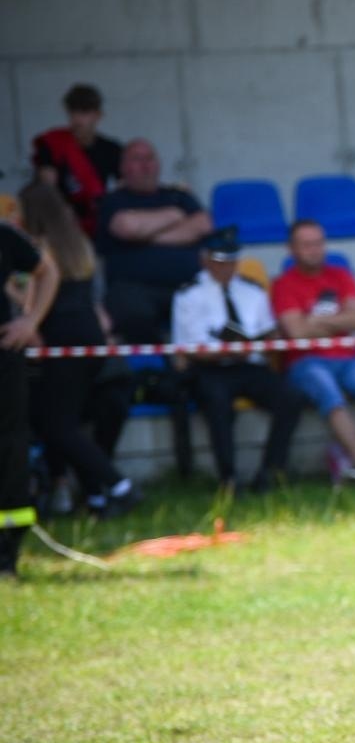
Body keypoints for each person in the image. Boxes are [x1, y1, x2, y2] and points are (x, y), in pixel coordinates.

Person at [17, 182, 140, 520]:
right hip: (90, 340)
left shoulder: (40, 249)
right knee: (67, 424)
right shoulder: (78, 244)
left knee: (58, 427)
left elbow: (32, 306)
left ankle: (120, 487)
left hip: (61, 343)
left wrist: (11, 292)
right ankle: (96, 497)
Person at [172, 228, 304, 493]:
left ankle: (270, 473)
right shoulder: (188, 295)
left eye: (231, 262)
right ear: (206, 260)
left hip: (249, 365)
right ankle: (228, 478)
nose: (226, 268)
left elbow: (267, 332)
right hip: (210, 369)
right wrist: (226, 351)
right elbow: (188, 348)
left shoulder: (252, 290)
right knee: (217, 402)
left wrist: (267, 341)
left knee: (290, 398)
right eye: (220, 262)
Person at [270, 219, 355, 484]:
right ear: (291, 249)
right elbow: (296, 332)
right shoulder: (283, 284)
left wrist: (315, 321)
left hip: (346, 358)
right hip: (305, 361)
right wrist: (339, 321)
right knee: (330, 394)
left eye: (318, 243)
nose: (314, 250)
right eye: (306, 244)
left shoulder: (341, 275)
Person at [96, 139, 213, 344]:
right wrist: (174, 215)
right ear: (123, 168)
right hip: (133, 289)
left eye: (150, 158)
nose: (145, 165)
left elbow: (203, 224)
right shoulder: (113, 201)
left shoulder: (177, 195)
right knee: (131, 310)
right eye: (137, 159)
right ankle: (160, 363)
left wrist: (146, 235)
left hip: (187, 285)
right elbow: (127, 227)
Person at [2, 206, 55, 576]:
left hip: (4, 360)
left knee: (9, 451)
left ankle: (6, 555)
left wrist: (30, 321)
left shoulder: (4, 236)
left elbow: (47, 270)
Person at [31, 83, 124, 237]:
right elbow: (47, 188)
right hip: (59, 221)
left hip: (98, 221)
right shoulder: (52, 143)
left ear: (98, 115)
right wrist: (60, 210)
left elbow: (124, 188)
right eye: (73, 112)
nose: (77, 119)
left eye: (84, 112)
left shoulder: (112, 150)